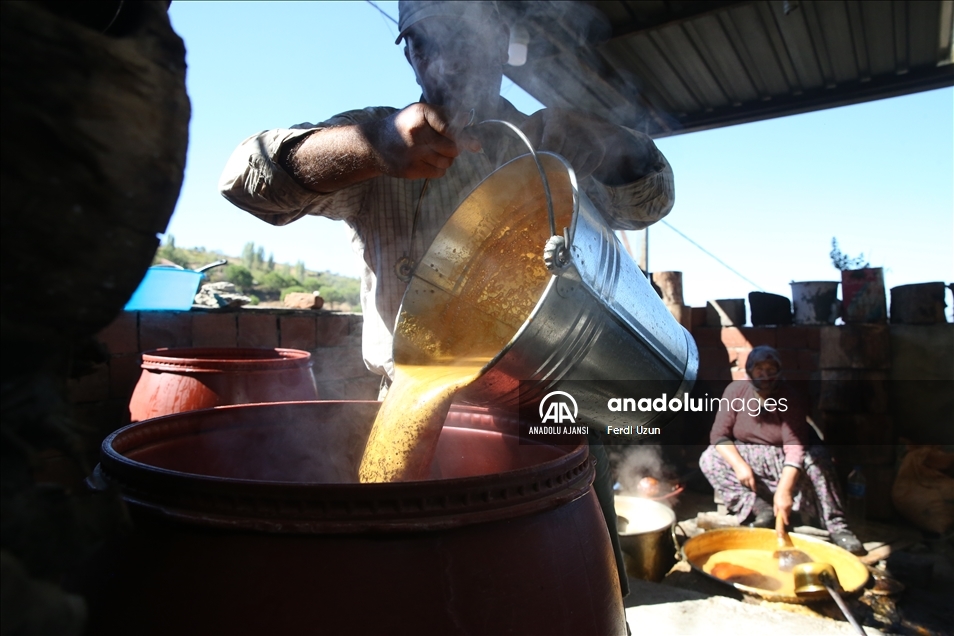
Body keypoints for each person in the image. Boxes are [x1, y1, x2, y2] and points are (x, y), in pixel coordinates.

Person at [219, 0, 676, 596]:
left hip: (548, 416)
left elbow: (651, 199)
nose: (446, 58)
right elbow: (243, 180)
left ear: (501, 40)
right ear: (408, 52)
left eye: (464, 36)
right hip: (415, 407)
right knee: (404, 593)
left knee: (566, 596)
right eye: (424, 41)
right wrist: (371, 147)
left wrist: (612, 143)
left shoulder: (552, 143)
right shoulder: (380, 138)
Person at [699, 346, 865, 555]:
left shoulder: (789, 397)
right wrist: (740, 466)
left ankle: (837, 526)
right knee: (710, 458)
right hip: (751, 456)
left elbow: (795, 447)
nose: (765, 376)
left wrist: (784, 490)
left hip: (785, 459)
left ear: (779, 371)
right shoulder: (736, 391)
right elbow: (718, 435)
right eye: (759, 370)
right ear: (749, 371)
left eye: (771, 369)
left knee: (817, 458)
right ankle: (759, 509)